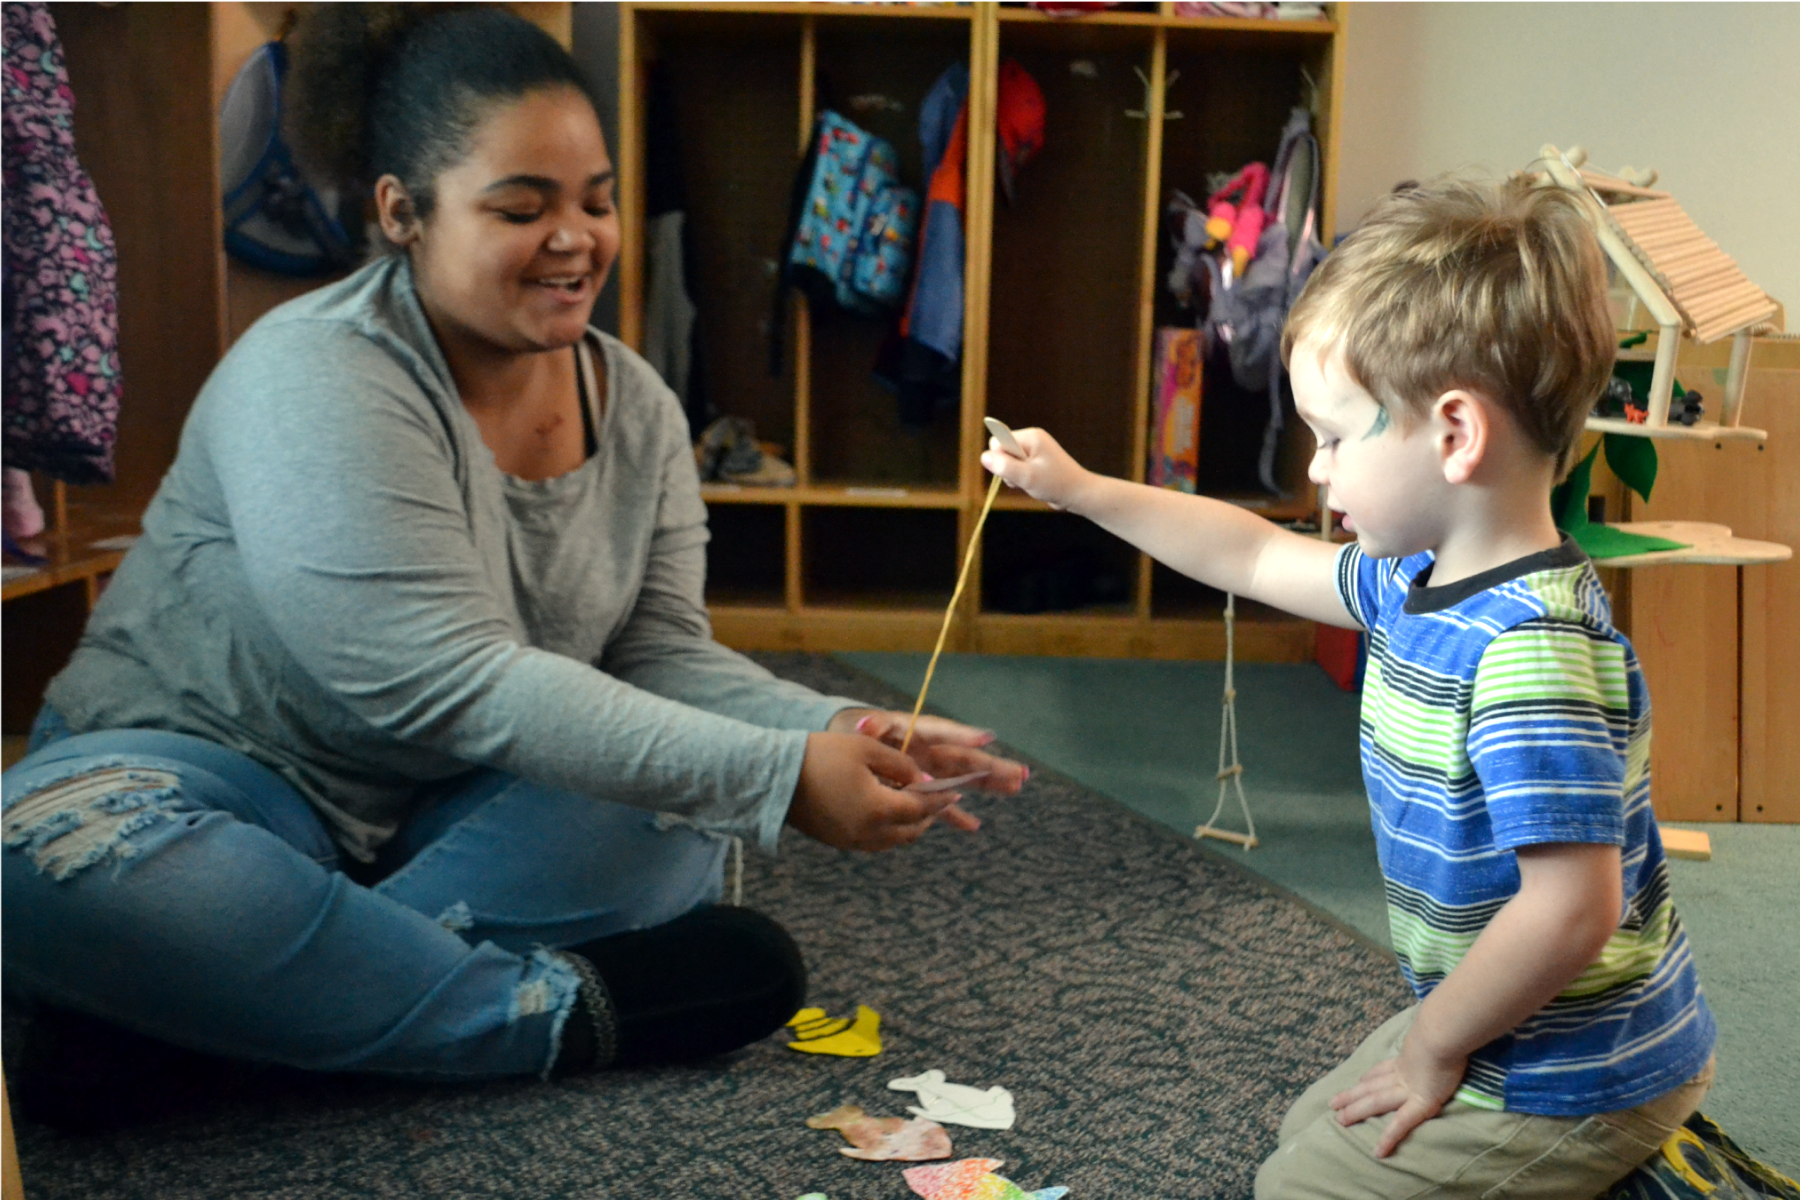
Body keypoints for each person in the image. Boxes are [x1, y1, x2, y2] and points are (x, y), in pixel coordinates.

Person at [0, 2, 1022, 1130]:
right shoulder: (316, 374)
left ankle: (240, 1026)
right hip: (204, 778)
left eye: (597, 200)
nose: (575, 237)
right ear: (402, 212)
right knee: (42, 864)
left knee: (672, 811)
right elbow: (447, 678)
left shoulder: (631, 401)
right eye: (520, 208)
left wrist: (833, 730)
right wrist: (774, 778)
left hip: (442, 814)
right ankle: (531, 1013)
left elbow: (659, 653)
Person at [983, 178, 1715, 1199]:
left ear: (1456, 435)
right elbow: (1249, 555)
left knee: (1299, 1190)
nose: (1315, 470)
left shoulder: (1527, 652)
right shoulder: (1419, 582)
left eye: (1331, 436)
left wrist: (1433, 1049)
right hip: (1520, 1021)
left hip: (1574, 1070)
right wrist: (1078, 489)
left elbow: (1569, 914)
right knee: (1308, 1132)